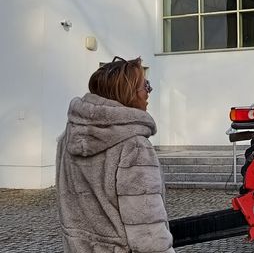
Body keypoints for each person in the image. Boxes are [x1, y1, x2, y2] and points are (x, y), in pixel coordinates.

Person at [56, 56, 174, 253]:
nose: (148, 93)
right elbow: (147, 232)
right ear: (128, 93)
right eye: (145, 86)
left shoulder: (68, 138)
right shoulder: (134, 146)